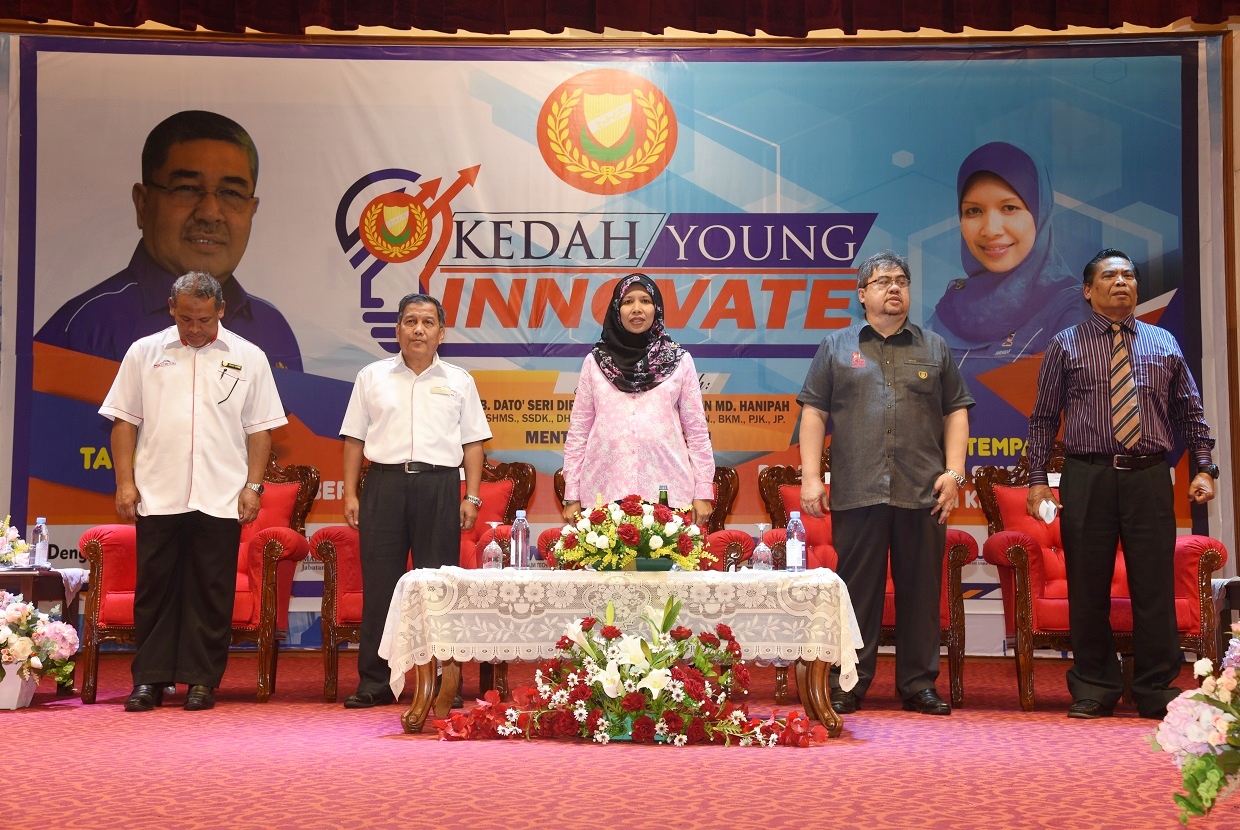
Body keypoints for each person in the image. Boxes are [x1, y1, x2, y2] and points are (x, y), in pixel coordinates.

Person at [1025, 248, 1217, 721]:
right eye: (1109, 276)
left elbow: (1190, 413)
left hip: (1148, 476)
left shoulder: (1163, 343)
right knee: (1087, 585)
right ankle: (1094, 686)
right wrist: (1037, 481)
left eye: (1129, 276)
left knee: (1153, 585)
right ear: (1088, 290)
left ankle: (1155, 688)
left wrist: (1204, 467)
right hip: (1087, 475)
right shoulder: (1065, 344)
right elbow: (1043, 419)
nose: (1121, 283)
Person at [99, 271, 288, 712]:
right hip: (158, 492)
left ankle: (202, 681)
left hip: (221, 493)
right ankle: (150, 680)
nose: (195, 328)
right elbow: (124, 422)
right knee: (155, 589)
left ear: (221, 310)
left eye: (204, 319)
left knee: (211, 590)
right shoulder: (144, 352)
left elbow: (260, 430)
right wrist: (125, 483)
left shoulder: (249, 356)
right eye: (186, 319)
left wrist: (253, 486)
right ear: (171, 309)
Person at [798, 251, 974, 716]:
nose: (893, 288)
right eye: (882, 282)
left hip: (923, 491)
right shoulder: (836, 347)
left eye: (901, 281)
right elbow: (813, 412)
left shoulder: (935, 347)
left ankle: (918, 685)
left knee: (921, 593)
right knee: (856, 593)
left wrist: (954, 472)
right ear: (862, 294)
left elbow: (956, 410)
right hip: (858, 490)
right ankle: (847, 682)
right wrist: (811, 477)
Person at [37, 110, 302, 370]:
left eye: (231, 193)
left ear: (251, 211)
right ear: (143, 204)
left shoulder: (272, 329)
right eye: (186, 188)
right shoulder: (84, 329)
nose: (210, 213)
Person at [338, 293, 491, 709]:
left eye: (427, 322)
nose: (418, 330)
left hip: (439, 486)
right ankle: (375, 682)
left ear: (441, 333)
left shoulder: (459, 380)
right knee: (381, 587)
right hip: (383, 486)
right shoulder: (371, 376)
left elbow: (473, 444)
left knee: (438, 589)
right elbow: (354, 439)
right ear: (397, 330)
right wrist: (350, 493)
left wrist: (471, 495)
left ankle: (445, 682)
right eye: (410, 321)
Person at [561, 273, 714, 525]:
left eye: (645, 300)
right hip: (604, 491)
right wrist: (572, 495)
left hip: (667, 489)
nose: (636, 309)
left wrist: (703, 491)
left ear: (657, 309)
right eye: (628, 301)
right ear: (617, 309)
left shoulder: (679, 361)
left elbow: (697, 432)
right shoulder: (595, 362)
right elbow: (579, 432)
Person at [927, 141, 1088, 369]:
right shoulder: (950, 310)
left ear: (1040, 212)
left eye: (1009, 208)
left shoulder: (1072, 309)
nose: (991, 229)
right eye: (974, 211)